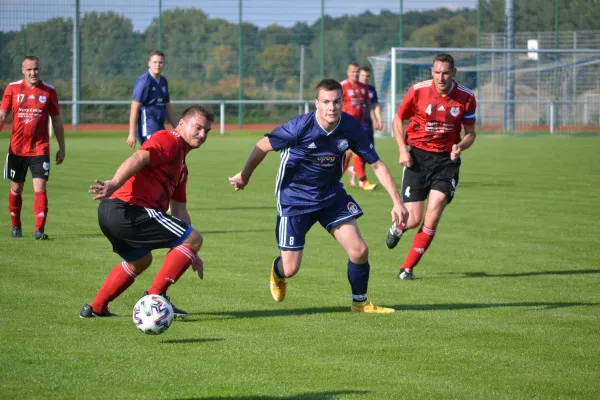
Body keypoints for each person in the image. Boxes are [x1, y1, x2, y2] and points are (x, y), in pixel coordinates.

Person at [229, 79, 408, 313]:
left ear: (342, 102)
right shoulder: (299, 127)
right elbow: (263, 145)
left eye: (336, 102)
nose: (331, 107)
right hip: (295, 199)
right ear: (316, 103)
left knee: (359, 250)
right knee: (291, 268)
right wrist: (244, 175)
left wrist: (397, 202)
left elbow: (377, 164)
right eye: (326, 102)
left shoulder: (351, 127)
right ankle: (277, 271)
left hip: (331, 196)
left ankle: (360, 303)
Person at [80, 105, 214, 318]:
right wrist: (115, 182)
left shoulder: (181, 167)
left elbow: (179, 209)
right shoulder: (170, 140)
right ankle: (155, 298)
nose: (202, 134)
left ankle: (96, 308)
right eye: (198, 128)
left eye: (207, 131)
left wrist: (191, 251)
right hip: (129, 210)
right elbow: (140, 157)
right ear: (181, 124)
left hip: (110, 213)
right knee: (194, 238)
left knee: (141, 261)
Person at [385, 53, 476, 280]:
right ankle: (398, 227)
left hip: (446, 161)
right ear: (431, 72)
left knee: (433, 213)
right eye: (437, 72)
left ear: (453, 72)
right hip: (417, 158)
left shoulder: (466, 97)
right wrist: (402, 150)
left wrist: (460, 147)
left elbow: (471, 133)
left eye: (445, 72)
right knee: (413, 219)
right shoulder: (418, 90)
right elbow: (398, 120)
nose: (441, 77)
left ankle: (407, 268)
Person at [0, 55, 66, 240]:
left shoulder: (49, 91)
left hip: (40, 148)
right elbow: (3, 114)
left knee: (40, 186)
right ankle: (16, 226)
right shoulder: (12, 88)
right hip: (17, 149)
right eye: (29, 69)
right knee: (16, 187)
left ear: (40, 69)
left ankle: (39, 230)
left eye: (35, 69)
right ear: (23, 70)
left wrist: (62, 147)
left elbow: (57, 120)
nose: (33, 72)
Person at [127, 50, 178, 147]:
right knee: (154, 154)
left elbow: (167, 107)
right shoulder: (144, 82)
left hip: (159, 126)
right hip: (147, 126)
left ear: (164, 64)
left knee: (161, 154)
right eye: (155, 62)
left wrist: (177, 128)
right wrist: (132, 133)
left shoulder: (163, 81)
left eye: (160, 62)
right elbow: (134, 107)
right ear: (149, 64)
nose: (157, 65)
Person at [341, 62, 376, 190]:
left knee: (348, 154)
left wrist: (375, 119)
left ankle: (332, 181)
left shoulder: (363, 88)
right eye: (353, 71)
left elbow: (368, 104)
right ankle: (364, 181)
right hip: (345, 126)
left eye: (357, 72)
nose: (355, 74)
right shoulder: (342, 86)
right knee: (355, 152)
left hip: (359, 126)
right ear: (348, 72)